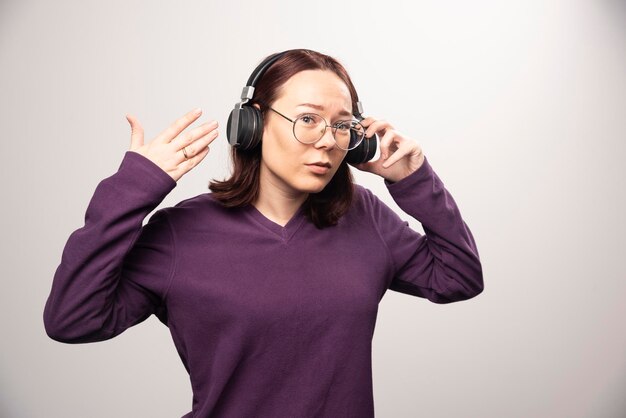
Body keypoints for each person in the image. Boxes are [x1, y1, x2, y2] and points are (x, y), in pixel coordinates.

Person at [43, 48, 483, 418]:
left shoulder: (364, 218)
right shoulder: (181, 233)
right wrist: (133, 189)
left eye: (344, 125)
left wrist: (414, 179)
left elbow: (458, 278)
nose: (328, 141)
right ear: (253, 124)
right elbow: (74, 319)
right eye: (308, 119)